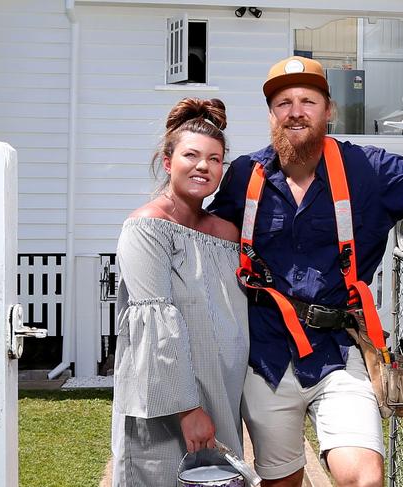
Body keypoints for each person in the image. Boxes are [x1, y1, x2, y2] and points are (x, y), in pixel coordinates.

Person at [208, 56, 403, 487]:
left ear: (328, 110)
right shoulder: (246, 174)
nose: (295, 111)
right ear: (271, 114)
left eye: (308, 100)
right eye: (283, 102)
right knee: (281, 481)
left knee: (364, 479)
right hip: (264, 355)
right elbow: (207, 231)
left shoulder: (366, 170)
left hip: (341, 351)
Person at [111, 98, 248, 486]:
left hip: (222, 394)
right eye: (191, 155)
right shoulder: (147, 228)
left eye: (215, 158)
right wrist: (187, 409)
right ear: (168, 162)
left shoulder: (227, 234)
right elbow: (153, 327)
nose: (203, 165)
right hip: (167, 404)